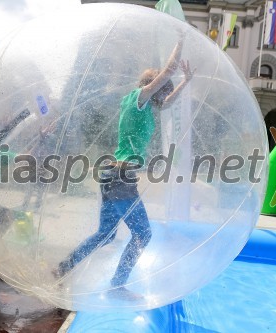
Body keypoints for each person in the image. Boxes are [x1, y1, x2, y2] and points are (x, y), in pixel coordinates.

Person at [54, 36, 193, 300]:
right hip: (120, 176)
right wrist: (181, 40)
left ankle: (63, 267)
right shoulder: (140, 99)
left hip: (112, 174)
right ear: (153, 86)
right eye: (164, 88)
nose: (165, 94)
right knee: (143, 233)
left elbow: (168, 101)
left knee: (105, 235)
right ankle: (117, 286)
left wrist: (186, 82)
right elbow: (167, 73)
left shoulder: (135, 103)